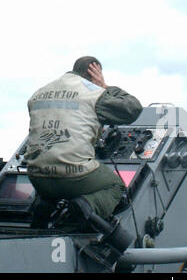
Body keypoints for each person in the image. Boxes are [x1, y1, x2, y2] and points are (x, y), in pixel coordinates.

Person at [24, 56, 142, 228]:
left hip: (37, 177)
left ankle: (43, 206)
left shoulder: (38, 93)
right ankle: (84, 208)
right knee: (116, 186)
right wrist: (105, 87)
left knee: (51, 183)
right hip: (74, 176)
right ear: (96, 72)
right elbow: (133, 108)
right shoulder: (94, 93)